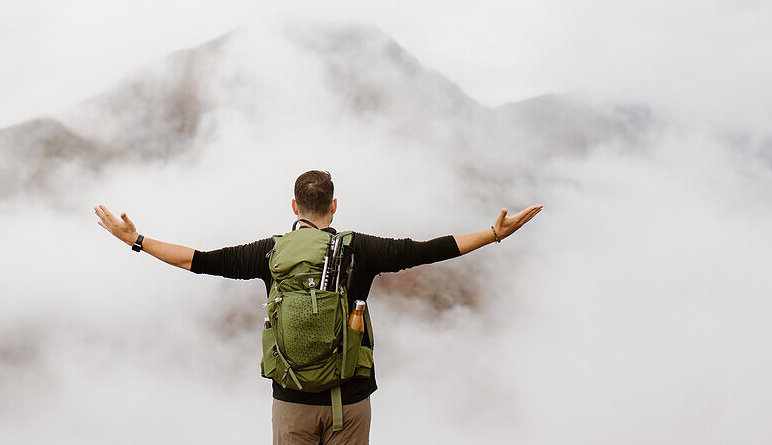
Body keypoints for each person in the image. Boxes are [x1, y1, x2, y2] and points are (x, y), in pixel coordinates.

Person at [94, 169, 543, 444]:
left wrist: (135, 240)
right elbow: (427, 249)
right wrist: (494, 233)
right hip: (349, 402)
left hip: (290, 402)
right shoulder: (360, 249)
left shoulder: (268, 253)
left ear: (294, 206)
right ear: (333, 206)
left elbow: (198, 260)